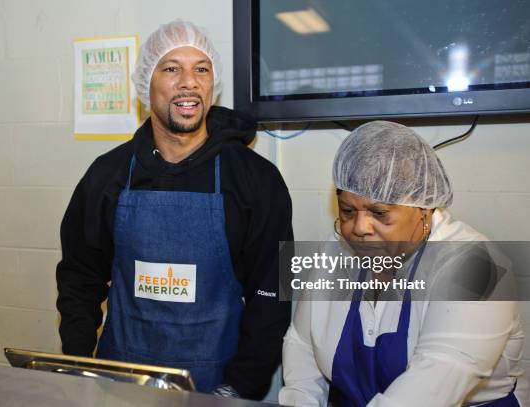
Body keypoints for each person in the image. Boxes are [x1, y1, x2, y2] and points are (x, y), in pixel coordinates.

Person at [56, 20, 292, 399]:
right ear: (146, 85)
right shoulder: (108, 174)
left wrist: (239, 387)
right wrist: (80, 364)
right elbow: (79, 279)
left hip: (216, 384)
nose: (189, 82)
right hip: (120, 381)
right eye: (171, 68)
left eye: (201, 69)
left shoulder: (256, 179)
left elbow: (274, 293)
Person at [279, 121, 527, 406]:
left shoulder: (477, 265)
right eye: (347, 210)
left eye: (380, 212)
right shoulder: (335, 252)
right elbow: (302, 345)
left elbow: (438, 377)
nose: (359, 227)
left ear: (424, 207)